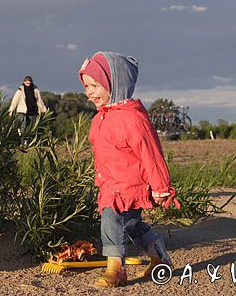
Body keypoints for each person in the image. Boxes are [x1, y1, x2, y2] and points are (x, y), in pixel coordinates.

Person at [77, 51, 180, 288]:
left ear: (116, 84)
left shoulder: (133, 119)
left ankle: (116, 269)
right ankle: (160, 257)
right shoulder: (100, 119)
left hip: (129, 186)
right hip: (111, 185)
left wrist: (161, 186)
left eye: (95, 85)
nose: (90, 92)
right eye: (86, 86)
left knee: (111, 221)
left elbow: (151, 154)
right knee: (132, 225)